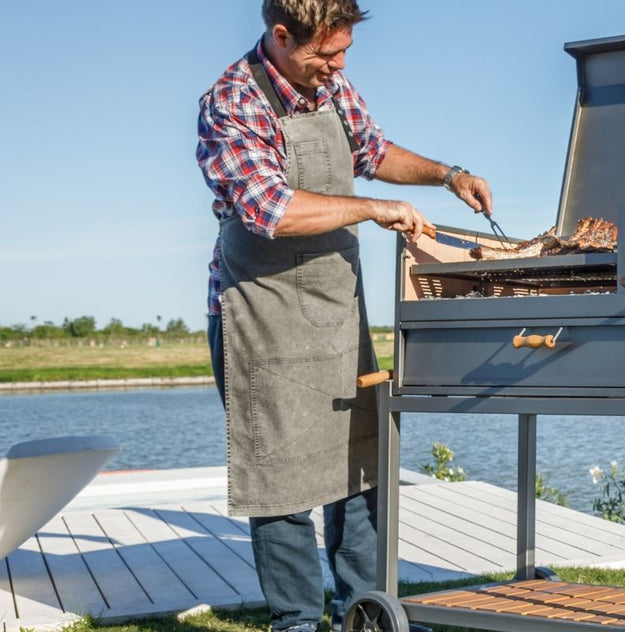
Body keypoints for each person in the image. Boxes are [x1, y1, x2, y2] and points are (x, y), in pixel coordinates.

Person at [195, 2, 491, 631]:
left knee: (359, 463)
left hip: (334, 306)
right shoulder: (232, 100)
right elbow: (270, 210)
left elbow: (371, 148)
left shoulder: (328, 82)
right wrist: (374, 209)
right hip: (261, 311)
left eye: (344, 52)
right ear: (280, 36)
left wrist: (447, 175)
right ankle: (299, 621)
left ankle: (366, 609)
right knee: (281, 479)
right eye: (327, 54)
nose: (338, 65)